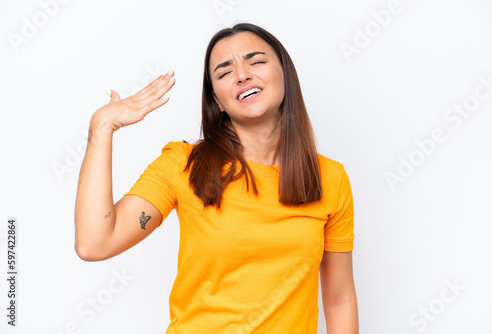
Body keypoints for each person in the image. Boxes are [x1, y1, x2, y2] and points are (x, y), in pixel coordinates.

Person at [75, 23, 358, 333]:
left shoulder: (329, 178)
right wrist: (102, 126)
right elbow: (94, 243)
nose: (242, 74)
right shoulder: (182, 164)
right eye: (224, 73)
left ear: (285, 74)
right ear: (218, 101)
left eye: (256, 61)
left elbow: (339, 300)